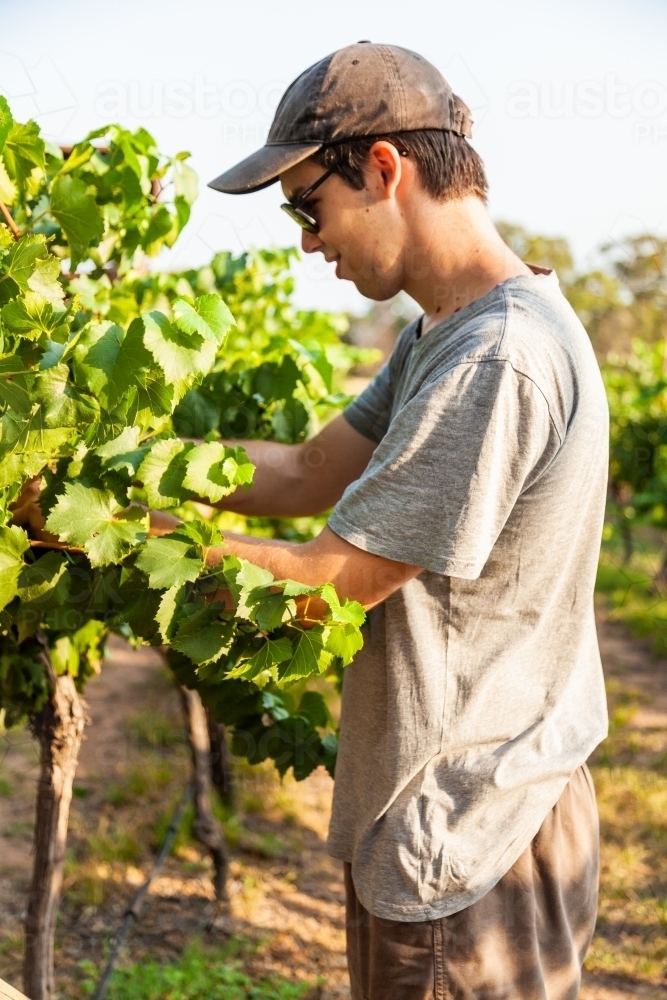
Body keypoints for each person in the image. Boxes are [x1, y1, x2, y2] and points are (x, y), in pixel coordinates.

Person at [27, 42, 609, 1000]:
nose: (306, 240)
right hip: (460, 808)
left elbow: (337, 575)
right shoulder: (445, 331)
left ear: (383, 169)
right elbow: (305, 471)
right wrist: (115, 479)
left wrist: (103, 532)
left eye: (309, 206)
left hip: (470, 827)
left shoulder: (492, 359)